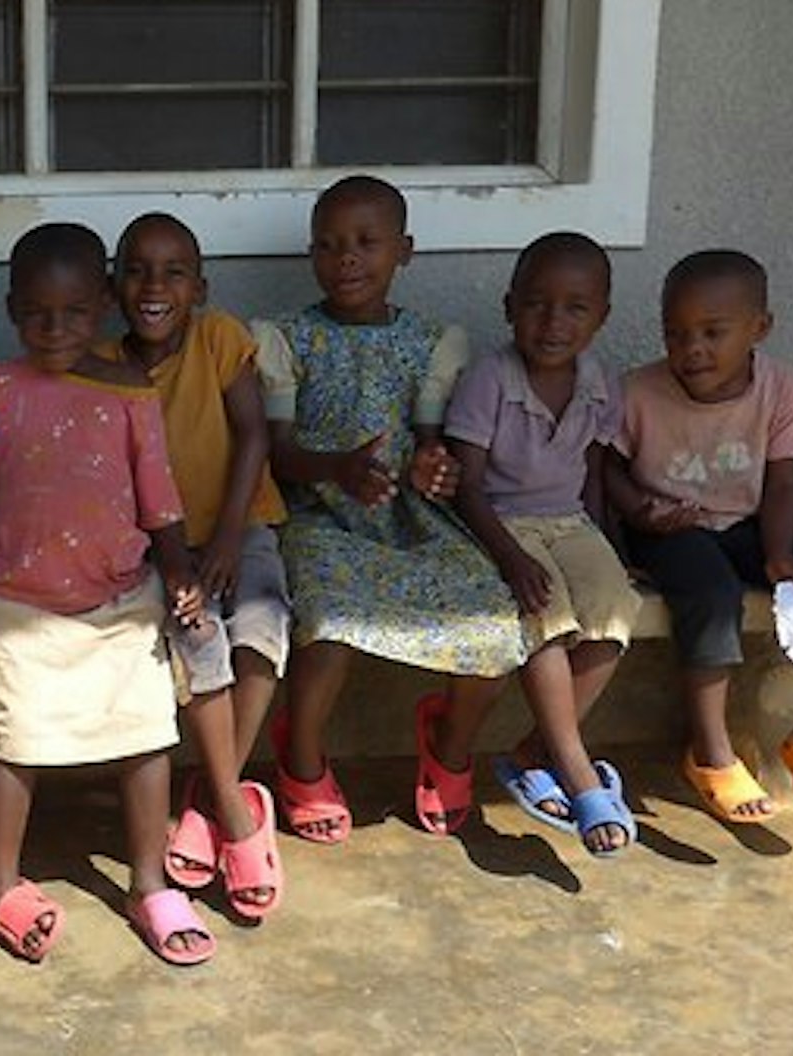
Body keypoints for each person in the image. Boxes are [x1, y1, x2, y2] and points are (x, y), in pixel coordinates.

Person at [0, 222, 213, 967]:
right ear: (11, 307)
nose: (55, 330)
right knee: (15, 743)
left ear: (105, 308)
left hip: (116, 597)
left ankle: (148, 882)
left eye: (76, 314)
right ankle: (3, 882)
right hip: (15, 600)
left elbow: (160, 499)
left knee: (149, 731)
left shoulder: (129, 392)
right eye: (37, 314)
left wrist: (181, 572)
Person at [257, 175, 525, 844]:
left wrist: (431, 469)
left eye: (366, 243)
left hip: (407, 518)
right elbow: (278, 452)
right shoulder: (289, 340)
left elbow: (431, 447)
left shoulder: (432, 343)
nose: (346, 258)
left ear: (404, 250)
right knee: (325, 624)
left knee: (493, 623)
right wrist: (337, 471)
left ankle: (451, 743)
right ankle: (302, 758)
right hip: (319, 517)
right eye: (328, 245)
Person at [98, 212, 290, 917]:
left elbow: (251, 439)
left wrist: (231, 540)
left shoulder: (220, 339)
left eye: (174, 271)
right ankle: (237, 819)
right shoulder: (104, 362)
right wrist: (182, 559)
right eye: (137, 269)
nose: (154, 286)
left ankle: (211, 797)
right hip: (161, 548)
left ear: (200, 286)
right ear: (113, 284)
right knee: (200, 642)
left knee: (262, 633)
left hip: (243, 527)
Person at [610, 249, 793, 823]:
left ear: (760, 328)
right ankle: (710, 753)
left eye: (713, 332)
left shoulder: (783, 389)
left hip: (746, 521)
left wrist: (780, 552)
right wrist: (638, 513)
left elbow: (783, 481)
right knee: (713, 598)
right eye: (676, 333)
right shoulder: (637, 391)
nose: (693, 349)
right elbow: (602, 466)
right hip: (665, 525)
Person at [444, 232, 641, 855]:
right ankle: (578, 771)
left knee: (612, 617)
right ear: (510, 306)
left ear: (601, 317)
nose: (554, 322)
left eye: (575, 308)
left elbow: (595, 474)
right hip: (501, 522)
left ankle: (531, 751)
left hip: (569, 522)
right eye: (537, 304)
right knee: (547, 620)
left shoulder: (600, 382)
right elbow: (466, 489)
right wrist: (511, 556)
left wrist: (610, 548)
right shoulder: (489, 378)